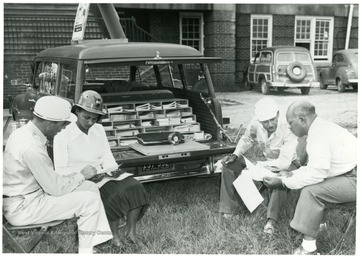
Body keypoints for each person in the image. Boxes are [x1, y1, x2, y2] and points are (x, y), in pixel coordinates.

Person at [3, 96, 113, 254]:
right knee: (90, 200)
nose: (64, 128)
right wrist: (81, 175)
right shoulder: (32, 148)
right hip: (24, 208)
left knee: (90, 188)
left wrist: (79, 179)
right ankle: (86, 252)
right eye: (64, 124)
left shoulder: (22, 133)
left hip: (24, 198)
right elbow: (55, 189)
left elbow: (50, 181)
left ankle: (92, 241)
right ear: (49, 123)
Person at [53, 90, 149, 246]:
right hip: (79, 177)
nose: (91, 122)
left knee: (134, 186)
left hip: (103, 173)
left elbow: (107, 157)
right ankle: (114, 236)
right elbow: (60, 169)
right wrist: (83, 174)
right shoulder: (63, 134)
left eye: (95, 118)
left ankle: (131, 231)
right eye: (86, 117)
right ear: (77, 111)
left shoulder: (99, 129)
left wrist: (111, 170)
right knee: (112, 195)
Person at [263, 100, 357, 254]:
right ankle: (319, 225)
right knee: (309, 184)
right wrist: (291, 174)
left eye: (291, 123)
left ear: (302, 120)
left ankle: (308, 249)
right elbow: (316, 168)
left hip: (354, 177)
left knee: (311, 191)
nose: (289, 127)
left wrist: (283, 183)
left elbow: (317, 174)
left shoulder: (318, 135)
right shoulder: (319, 128)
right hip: (349, 172)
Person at [219, 97, 302, 234]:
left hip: (289, 164)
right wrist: (235, 154)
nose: (269, 124)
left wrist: (260, 165)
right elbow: (247, 138)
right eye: (265, 121)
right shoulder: (255, 123)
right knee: (230, 165)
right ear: (259, 120)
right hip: (266, 161)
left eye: (272, 119)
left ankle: (271, 221)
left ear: (278, 114)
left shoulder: (288, 128)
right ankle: (230, 211)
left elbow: (284, 163)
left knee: (279, 179)